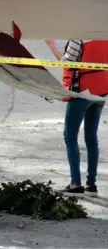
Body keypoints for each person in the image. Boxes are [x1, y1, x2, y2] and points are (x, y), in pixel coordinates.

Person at [46, 39, 108, 197]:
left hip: (82, 93)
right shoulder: (103, 33)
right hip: (100, 92)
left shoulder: (78, 37)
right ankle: (91, 185)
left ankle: (75, 184)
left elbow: (67, 63)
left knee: (70, 136)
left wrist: (51, 45)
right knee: (91, 138)